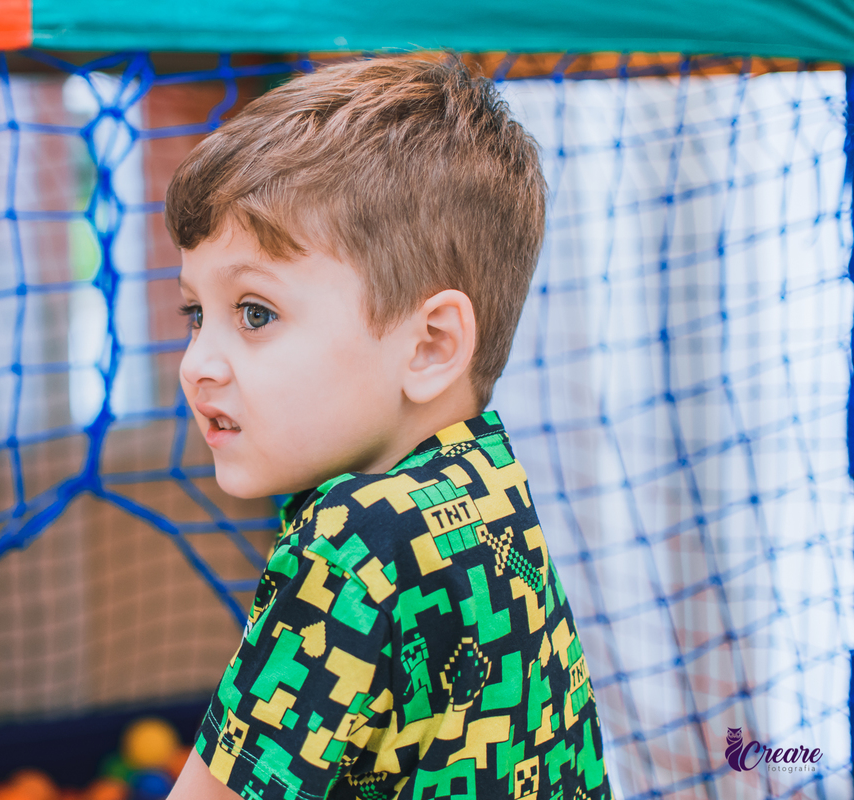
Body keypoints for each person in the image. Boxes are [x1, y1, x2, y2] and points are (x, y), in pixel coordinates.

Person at [164, 53, 611, 800]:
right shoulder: (495, 490)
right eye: (194, 314)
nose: (195, 364)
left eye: (255, 313)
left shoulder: (351, 540)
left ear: (431, 345)